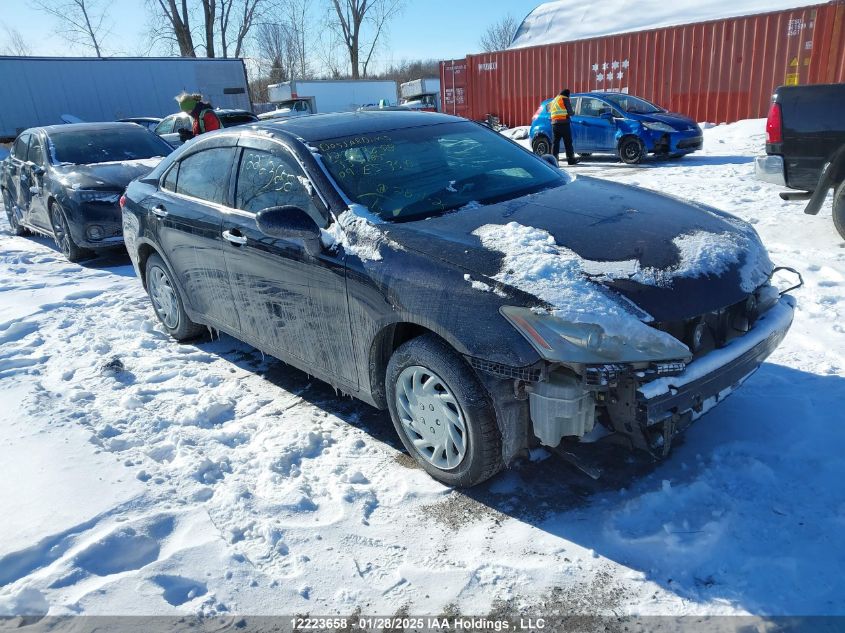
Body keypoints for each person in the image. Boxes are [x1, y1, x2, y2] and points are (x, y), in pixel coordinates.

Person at [550, 88, 578, 165]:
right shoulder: (564, 99)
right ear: (567, 94)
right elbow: (570, 112)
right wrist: (573, 112)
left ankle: (554, 161)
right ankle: (571, 160)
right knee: (568, 142)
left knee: (555, 142)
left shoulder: (555, 100)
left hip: (554, 124)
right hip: (563, 124)